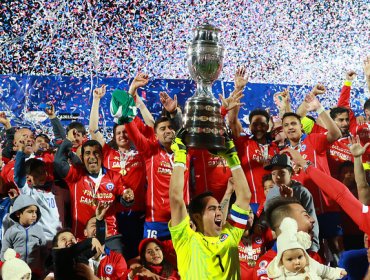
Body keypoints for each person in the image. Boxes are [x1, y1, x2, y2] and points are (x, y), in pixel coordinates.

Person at [169, 129, 252, 279]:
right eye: (212, 209)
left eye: (219, 208)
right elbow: (176, 198)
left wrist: (232, 158)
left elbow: (245, 196)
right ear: (197, 216)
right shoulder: (186, 240)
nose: (219, 212)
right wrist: (180, 155)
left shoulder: (230, 234)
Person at [54, 134, 135, 240]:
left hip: (110, 235)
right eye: (87, 153)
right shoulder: (75, 175)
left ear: (102, 156)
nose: (92, 156)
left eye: (96, 153)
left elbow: (123, 199)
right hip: (82, 236)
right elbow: (58, 163)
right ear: (82, 158)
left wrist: (128, 198)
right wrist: (68, 140)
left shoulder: (114, 177)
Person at [264, 153, 320, 253]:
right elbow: (269, 219)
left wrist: (313, 246)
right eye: (274, 174)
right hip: (279, 242)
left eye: (282, 173)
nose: (277, 177)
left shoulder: (302, 192)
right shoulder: (271, 193)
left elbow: (312, 220)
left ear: (291, 173)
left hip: (301, 242)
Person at [266, 217, 346, 279]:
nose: (297, 262)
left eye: (300, 257)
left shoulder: (310, 264)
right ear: (281, 261)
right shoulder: (281, 275)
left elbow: (326, 271)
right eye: (290, 259)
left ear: (305, 254)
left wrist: (339, 272)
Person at [0, 195, 46, 279]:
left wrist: (42, 265)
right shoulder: (11, 231)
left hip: (35, 271)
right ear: (18, 214)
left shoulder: (39, 229)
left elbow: (44, 249)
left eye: (35, 212)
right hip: (18, 273)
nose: (34, 215)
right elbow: (4, 252)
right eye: (30, 212)